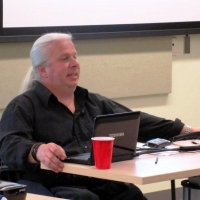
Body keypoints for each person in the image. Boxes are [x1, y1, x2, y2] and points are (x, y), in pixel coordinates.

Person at [0, 33, 200, 200]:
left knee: (130, 194)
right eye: (64, 58)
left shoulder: (93, 102)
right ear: (42, 70)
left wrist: (188, 131)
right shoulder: (23, 105)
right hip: (52, 184)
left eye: (75, 57)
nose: (74, 64)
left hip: (98, 182)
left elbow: (140, 122)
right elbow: (8, 144)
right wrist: (37, 150)